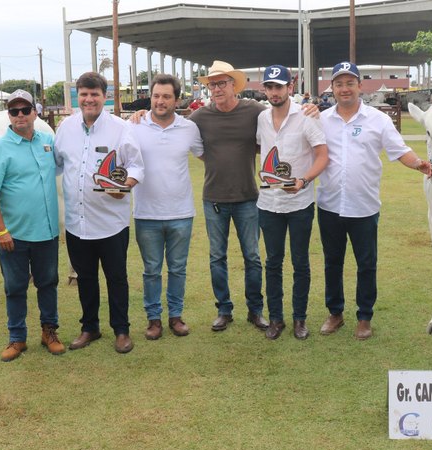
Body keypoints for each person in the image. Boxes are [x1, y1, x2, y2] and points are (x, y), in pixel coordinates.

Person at [317, 61, 432, 340]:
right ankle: (335, 313)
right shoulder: (320, 120)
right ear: (331, 88)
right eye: (339, 84)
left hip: (364, 206)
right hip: (330, 204)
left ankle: (364, 317)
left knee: (366, 263)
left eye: (350, 83)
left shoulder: (377, 120)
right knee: (333, 261)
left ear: (360, 86)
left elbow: (399, 149)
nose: (345, 89)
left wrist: (418, 164)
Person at [54, 72, 144, 354]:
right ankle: (89, 327)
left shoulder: (120, 128)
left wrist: (124, 185)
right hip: (76, 222)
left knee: (116, 277)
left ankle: (121, 330)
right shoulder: (65, 128)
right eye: (84, 94)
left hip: (111, 222)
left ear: (104, 97)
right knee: (86, 277)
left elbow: (136, 167)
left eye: (94, 94)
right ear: (77, 97)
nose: (89, 99)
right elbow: (58, 164)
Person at [0, 89, 63, 362]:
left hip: (47, 232)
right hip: (13, 236)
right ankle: (17, 338)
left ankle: (49, 331)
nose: (19, 116)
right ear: (9, 115)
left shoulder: (48, 141)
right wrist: (1, 231)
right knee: (15, 287)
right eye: (14, 111)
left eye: (24, 110)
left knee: (48, 283)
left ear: (34, 113)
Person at [190, 59, 270, 333]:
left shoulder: (255, 111)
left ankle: (255, 310)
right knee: (217, 257)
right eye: (212, 85)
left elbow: (275, 130)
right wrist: (142, 115)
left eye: (221, 83)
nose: (216, 89)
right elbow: (182, 137)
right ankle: (224, 310)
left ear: (234, 85)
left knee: (252, 256)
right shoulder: (200, 117)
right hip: (213, 198)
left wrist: (310, 110)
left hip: (248, 197)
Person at [257, 65, 329, 340]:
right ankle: (276, 319)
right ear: (265, 90)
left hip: (299, 203)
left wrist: (303, 180)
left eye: (279, 86)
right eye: (270, 87)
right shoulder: (262, 118)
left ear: (290, 88)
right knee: (273, 263)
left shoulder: (306, 117)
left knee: (300, 263)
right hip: (268, 203)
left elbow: (322, 156)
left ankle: (300, 319)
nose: (274, 92)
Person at [131, 74, 204, 340]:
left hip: (181, 213)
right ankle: (153, 320)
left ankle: (175, 316)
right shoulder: (134, 125)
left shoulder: (189, 128)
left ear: (177, 99)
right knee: (151, 270)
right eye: (156, 96)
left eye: (166, 96)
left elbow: (207, 155)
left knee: (178, 269)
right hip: (146, 213)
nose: (160, 101)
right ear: (150, 97)